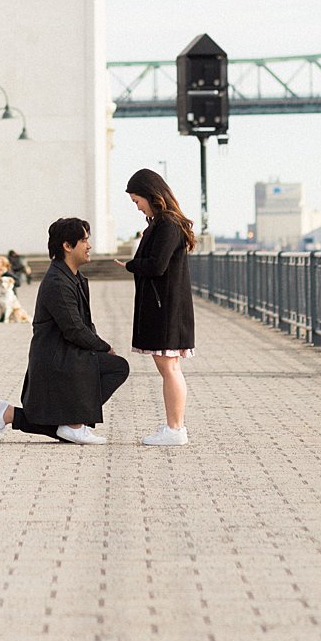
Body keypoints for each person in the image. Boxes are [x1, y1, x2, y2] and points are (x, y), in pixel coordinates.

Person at [0, 218, 128, 445]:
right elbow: (74, 329)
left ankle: (14, 415)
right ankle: (74, 424)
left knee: (115, 367)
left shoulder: (73, 277)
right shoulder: (58, 282)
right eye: (83, 240)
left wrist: (98, 345)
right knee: (116, 367)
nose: (89, 246)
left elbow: (84, 326)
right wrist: (103, 346)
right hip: (56, 359)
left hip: (68, 353)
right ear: (67, 246)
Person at [122, 167, 199, 445]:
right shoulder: (164, 222)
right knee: (170, 368)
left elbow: (156, 265)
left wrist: (131, 265)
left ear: (150, 194)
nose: (137, 206)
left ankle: (175, 429)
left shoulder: (167, 224)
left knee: (169, 368)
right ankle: (174, 427)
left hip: (166, 308)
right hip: (167, 306)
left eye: (136, 200)